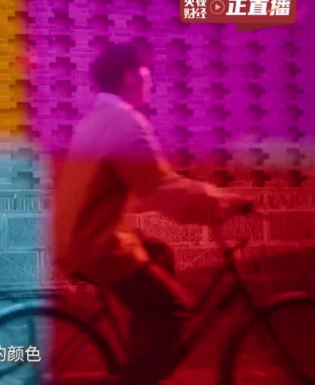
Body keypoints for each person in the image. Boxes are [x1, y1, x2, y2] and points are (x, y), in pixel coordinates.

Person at [48, 42, 254, 384]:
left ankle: (142, 349)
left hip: (77, 233)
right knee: (174, 309)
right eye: (148, 73)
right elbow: (160, 187)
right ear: (131, 76)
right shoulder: (124, 123)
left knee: (160, 253)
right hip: (95, 243)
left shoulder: (97, 118)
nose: (151, 81)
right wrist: (225, 202)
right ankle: (139, 376)